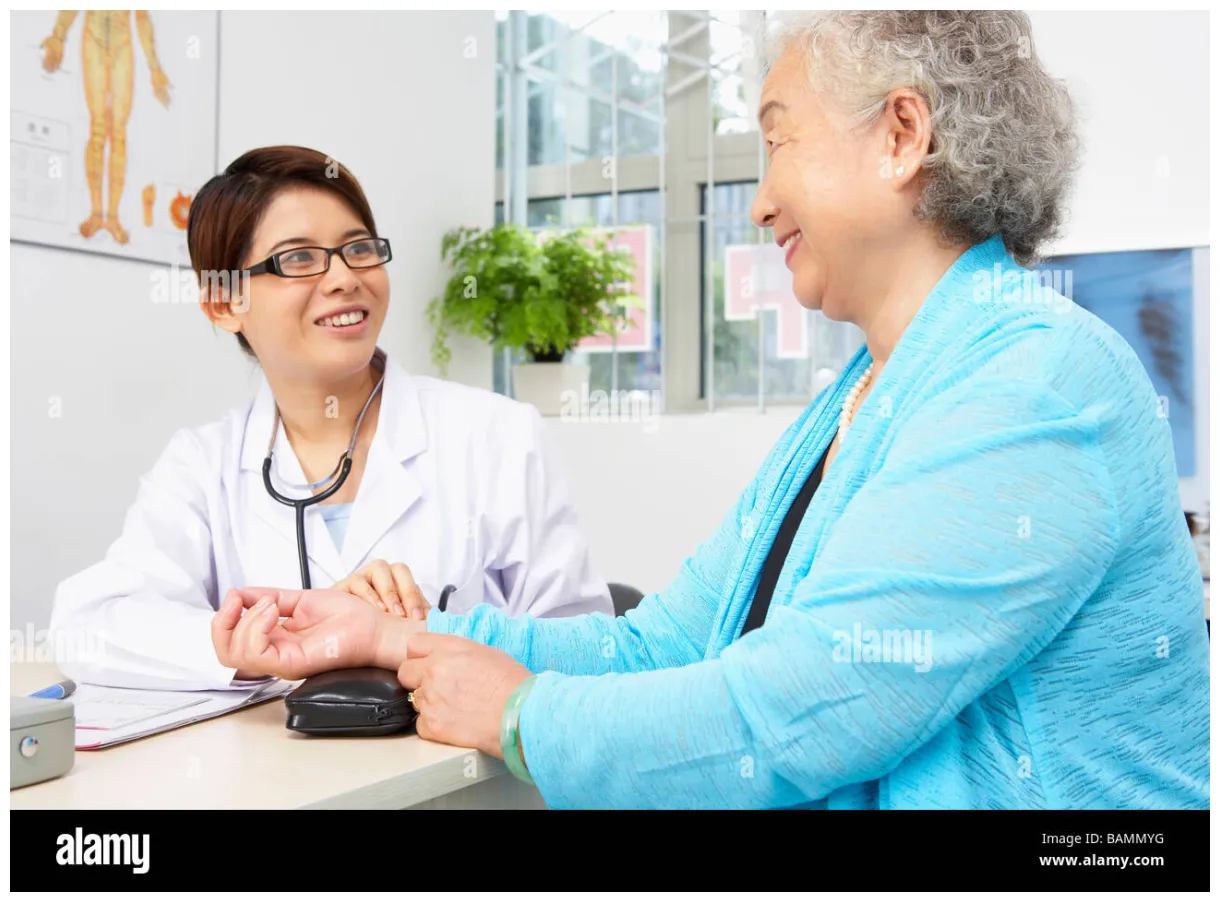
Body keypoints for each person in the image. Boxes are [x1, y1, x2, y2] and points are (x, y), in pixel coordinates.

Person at [218, 12, 1209, 809]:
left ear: (901, 135)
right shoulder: (853, 400)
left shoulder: (1033, 381)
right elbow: (660, 646)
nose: (759, 199)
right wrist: (391, 638)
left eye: (776, 141)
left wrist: (518, 712)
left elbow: (786, 718)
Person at [51, 145, 612, 691]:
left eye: (359, 249)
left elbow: (586, 649)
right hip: (281, 781)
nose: (344, 277)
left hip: (468, 777)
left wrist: (412, 635)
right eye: (298, 258)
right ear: (224, 303)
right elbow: (88, 626)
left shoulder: (497, 437)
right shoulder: (203, 465)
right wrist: (254, 641)